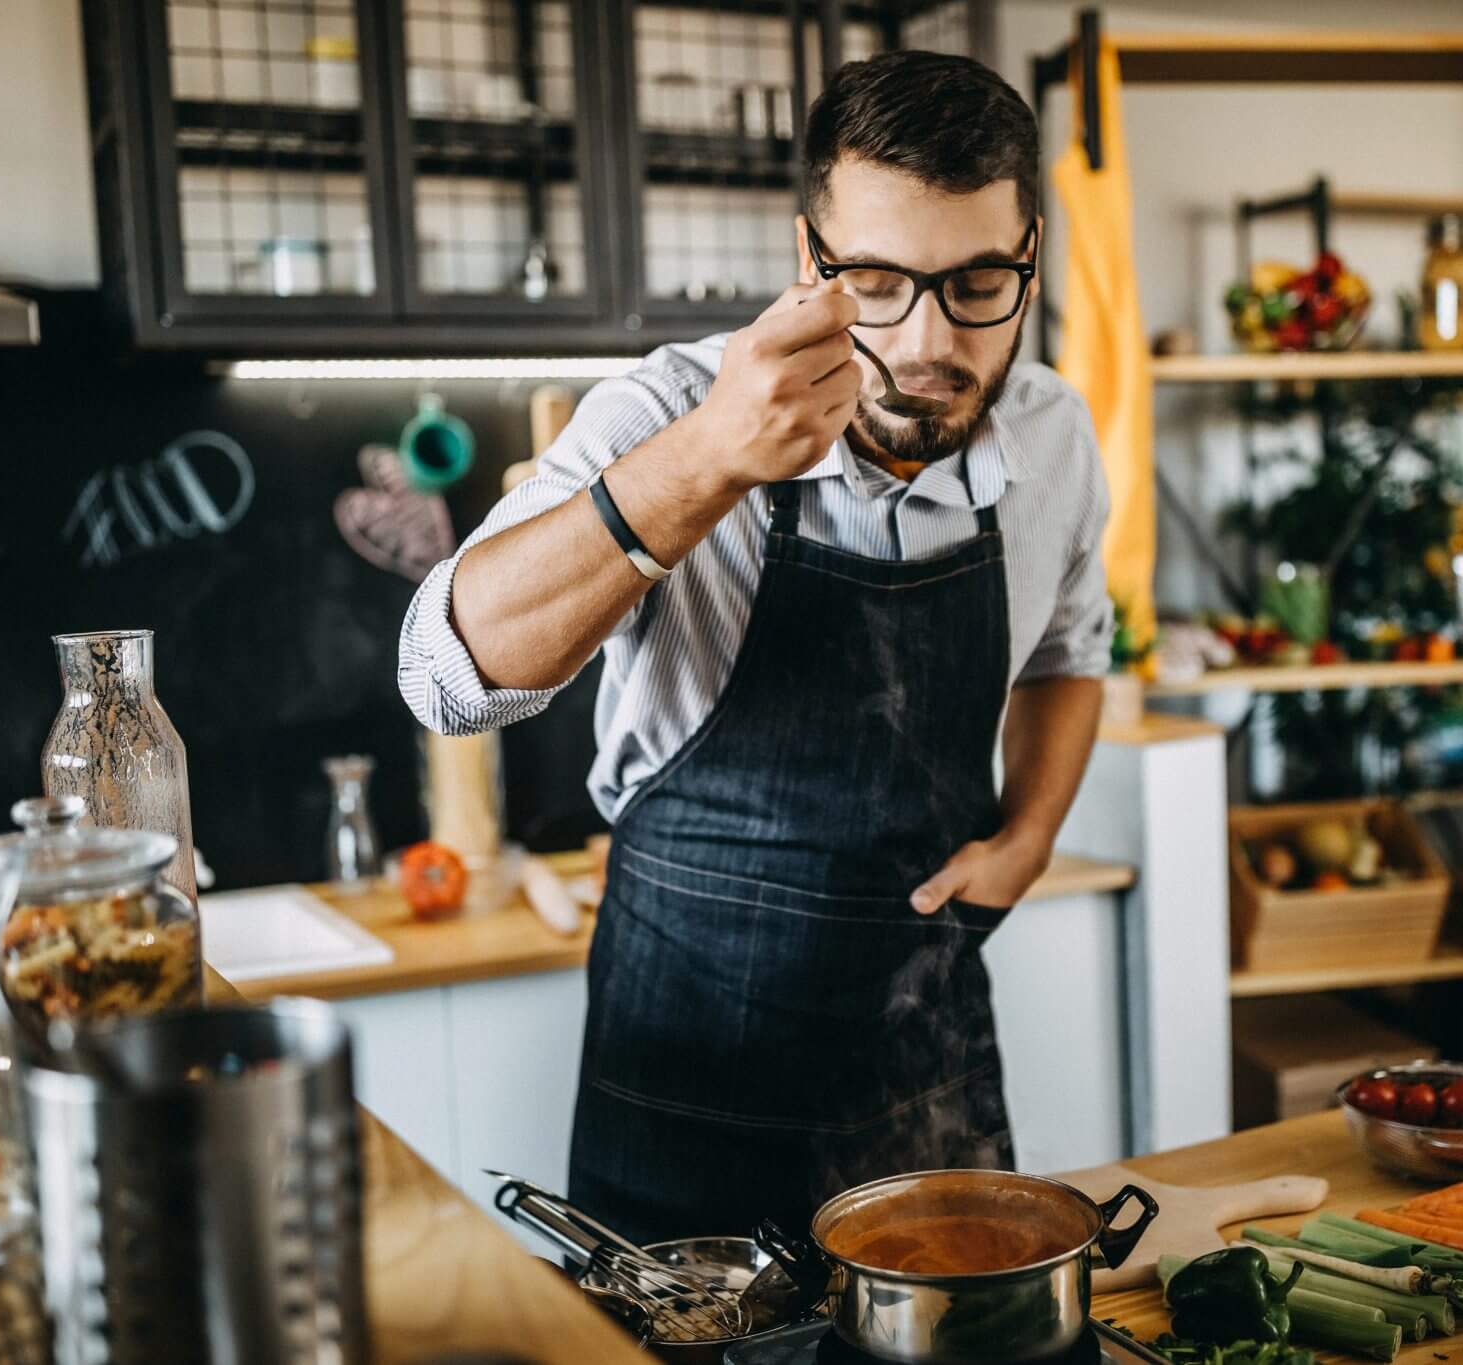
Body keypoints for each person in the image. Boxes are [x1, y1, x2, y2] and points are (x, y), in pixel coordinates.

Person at [399, 50, 1112, 1242]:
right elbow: (443, 680)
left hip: (920, 1071)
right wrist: (709, 456)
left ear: (1028, 253)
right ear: (809, 262)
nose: (929, 338)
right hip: (684, 1078)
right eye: (877, 281)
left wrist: (1031, 834)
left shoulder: (1053, 434)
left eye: (978, 280)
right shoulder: (662, 412)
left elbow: (1066, 652)